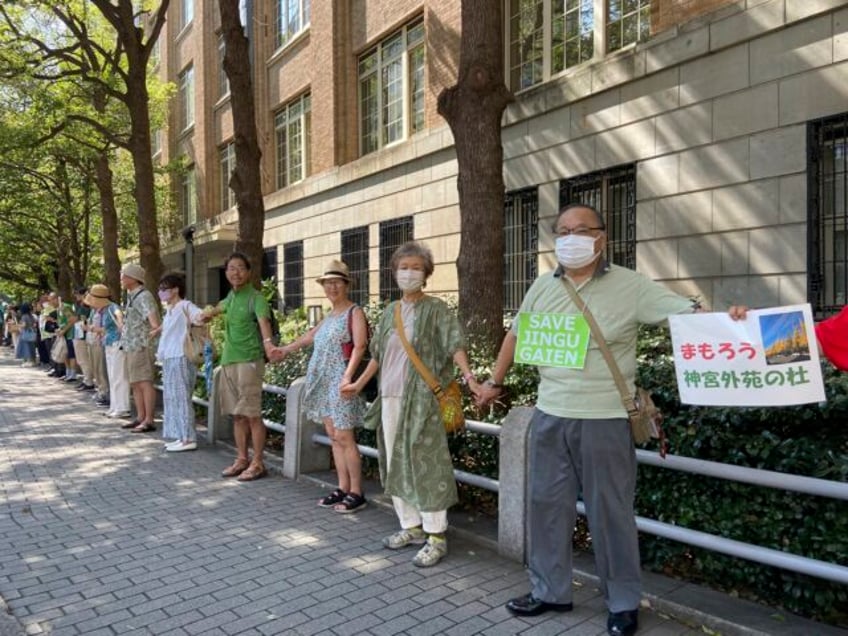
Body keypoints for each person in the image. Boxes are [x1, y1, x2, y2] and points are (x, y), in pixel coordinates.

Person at [474, 204, 701, 636]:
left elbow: (688, 314)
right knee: (545, 508)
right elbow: (516, 334)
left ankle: (622, 602)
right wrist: (493, 382)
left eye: (580, 229)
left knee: (610, 513)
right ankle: (549, 591)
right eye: (562, 230)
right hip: (549, 416)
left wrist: (734, 320)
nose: (570, 237)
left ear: (602, 238)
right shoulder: (543, 286)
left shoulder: (630, 285)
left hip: (605, 418)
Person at [341, 241, 478, 567]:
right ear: (394, 272)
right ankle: (411, 527)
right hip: (389, 398)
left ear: (426, 273)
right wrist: (358, 384)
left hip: (423, 400)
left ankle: (436, 536)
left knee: (426, 464)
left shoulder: (436, 310)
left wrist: (470, 376)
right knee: (395, 463)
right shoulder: (390, 312)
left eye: (416, 267)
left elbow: (454, 343)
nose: (409, 273)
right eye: (404, 267)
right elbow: (378, 355)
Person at [278, 260, 368, 513]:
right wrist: (284, 350)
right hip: (324, 382)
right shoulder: (330, 315)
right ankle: (342, 487)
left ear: (346, 285)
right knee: (333, 437)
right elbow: (309, 337)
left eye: (337, 282)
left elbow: (360, 347)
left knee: (345, 437)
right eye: (328, 283)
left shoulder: (354, 312)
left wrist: (347, 377)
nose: (332, 287)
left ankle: (356, 492)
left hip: (341, 382)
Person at [204, 252, 281, 481]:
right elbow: (216, 309)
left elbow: (264, 322)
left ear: (248, 272)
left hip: (249, 361)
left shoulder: (255, 297)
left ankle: (258, 462)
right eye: (230, 268)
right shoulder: (230, 297)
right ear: (226, 272)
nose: (235, 272)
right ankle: (241, 458)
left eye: (240, 268)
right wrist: (204, 315)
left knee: (252, 415)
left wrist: (269, 346)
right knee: (237, 415)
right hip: (229, 361)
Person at [153, 272, 205, 452]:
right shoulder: (170, 310)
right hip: (170, 358)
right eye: (160, 288)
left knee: (182, 398)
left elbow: (198, 315)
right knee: (173, 398)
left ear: (175, 289)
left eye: (165, 288)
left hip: (182, 357)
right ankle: (180, 435)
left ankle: (188, 438)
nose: (161, 292)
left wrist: (204, 315)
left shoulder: (185, 305)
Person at [119, 264, 161, 433]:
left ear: (133, 278)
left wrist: (148, 336)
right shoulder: (131, 296)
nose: (121, 279)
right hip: (131, 345)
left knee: (144, 382)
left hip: (141, 346)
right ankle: (140, 417)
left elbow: (154, 323)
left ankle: (149, 420)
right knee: (136, 383)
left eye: (123, 275)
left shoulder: (144, 296)